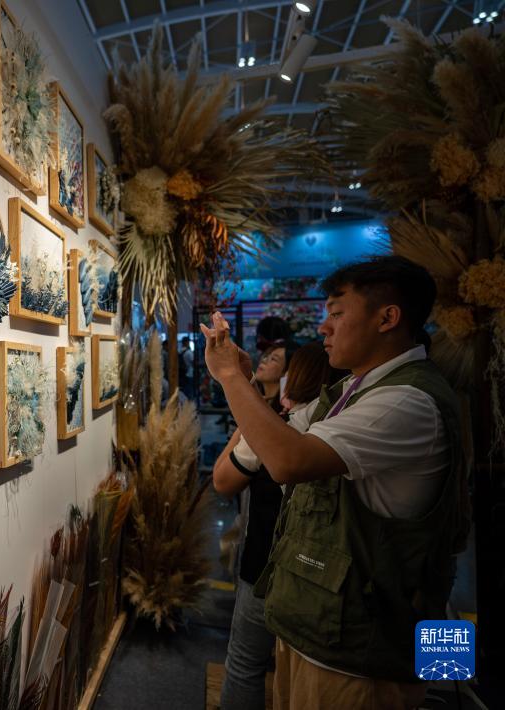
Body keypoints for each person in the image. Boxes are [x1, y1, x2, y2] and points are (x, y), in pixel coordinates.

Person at [199, 256, 468, 710]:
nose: (323, 327)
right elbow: (269, 438)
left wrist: (229, 377)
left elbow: (285, 460)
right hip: (319, 634)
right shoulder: (351, 391)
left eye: (337, 313)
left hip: (359, 658)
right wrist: (242, 382)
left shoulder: (406, 401)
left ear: (387, 318)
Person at [213, 342, 340, 710]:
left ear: (296, 376)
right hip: (325, 574)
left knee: (245, 663)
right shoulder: (340, 419)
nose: (269, 364)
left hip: (266, 566)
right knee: (300, 669)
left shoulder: (284, 427)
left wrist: (248, 416)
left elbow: (222, 481)